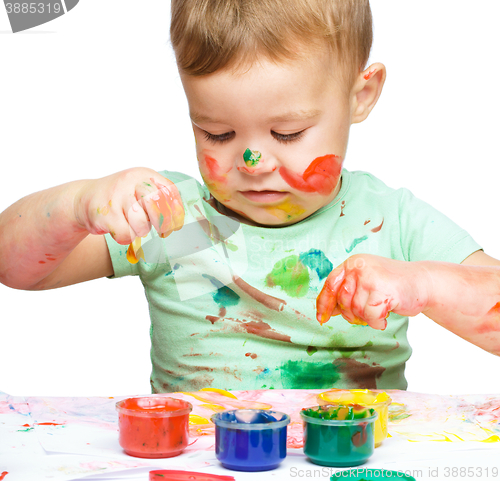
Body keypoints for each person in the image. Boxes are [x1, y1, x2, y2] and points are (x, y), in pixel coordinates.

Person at [0, 0, 499, 394]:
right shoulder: (179, 225)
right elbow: (17, 268)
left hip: (350, 461)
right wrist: (79, 205)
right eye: (217, 133)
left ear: (360, 97)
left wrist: (424, 283)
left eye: (287, 132)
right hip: (197, 465)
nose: (253, 164)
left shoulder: (386, 222)